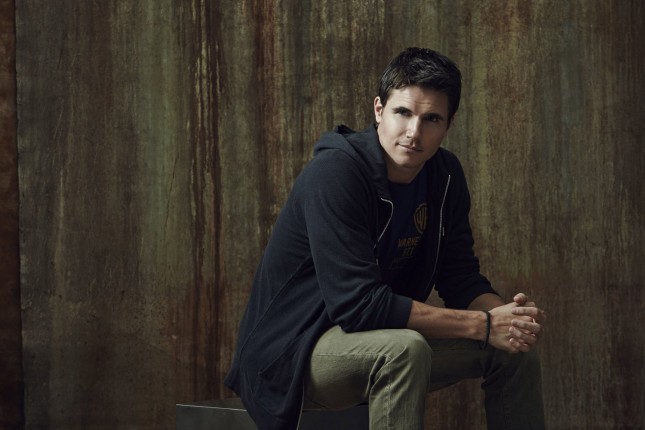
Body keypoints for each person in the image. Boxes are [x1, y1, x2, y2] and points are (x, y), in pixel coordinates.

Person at [224, 47, 546, 430]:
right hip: (292, 353)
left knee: (513, 349)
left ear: (449, 124)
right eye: (402, 112)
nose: (414, 132)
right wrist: (483, 325)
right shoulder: (335, 173)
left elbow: (460, 277)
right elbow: (359, 306)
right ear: (379, 110)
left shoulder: (444, 176)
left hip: (376, 340)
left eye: (431, 119)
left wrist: (510, 319)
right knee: (403, 349)